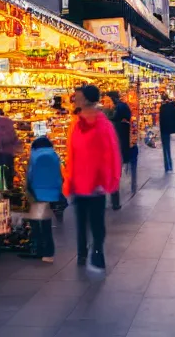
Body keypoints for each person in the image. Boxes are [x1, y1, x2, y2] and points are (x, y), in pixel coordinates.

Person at [64, 85, 121, 272]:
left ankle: (97, 253)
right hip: (79, 183)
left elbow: (110, 154)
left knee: (96, 223)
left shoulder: (103, 125)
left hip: (96, 183)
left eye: (78, 97)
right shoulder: (76, 123)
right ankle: (82, 253)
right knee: (80, 222)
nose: (75, 99)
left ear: (87, 99)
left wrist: (108, 179)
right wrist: (69, 179)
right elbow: (71, 153)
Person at [21, 137, 62, 262]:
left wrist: (27, 188)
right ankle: (44, 251)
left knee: (36, 223)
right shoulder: (54, 155)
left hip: (36, 193)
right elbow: (59, 175)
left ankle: (44, 251)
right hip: (51, 193)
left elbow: (30, 174)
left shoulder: (34, 156)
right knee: (46, 223)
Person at [105, 91, 132, 210]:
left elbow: (115, 117)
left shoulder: (117, 109)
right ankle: (115, 202)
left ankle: (113, 201)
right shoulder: (122, 106)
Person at [159, 94, 175, 172]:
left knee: (166, 148)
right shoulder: (172, 105)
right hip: (172, 129)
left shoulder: (162, 107)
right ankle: (170, 165)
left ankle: (168, 166)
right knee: (168, 148)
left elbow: (161, 120)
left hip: (164, 130)